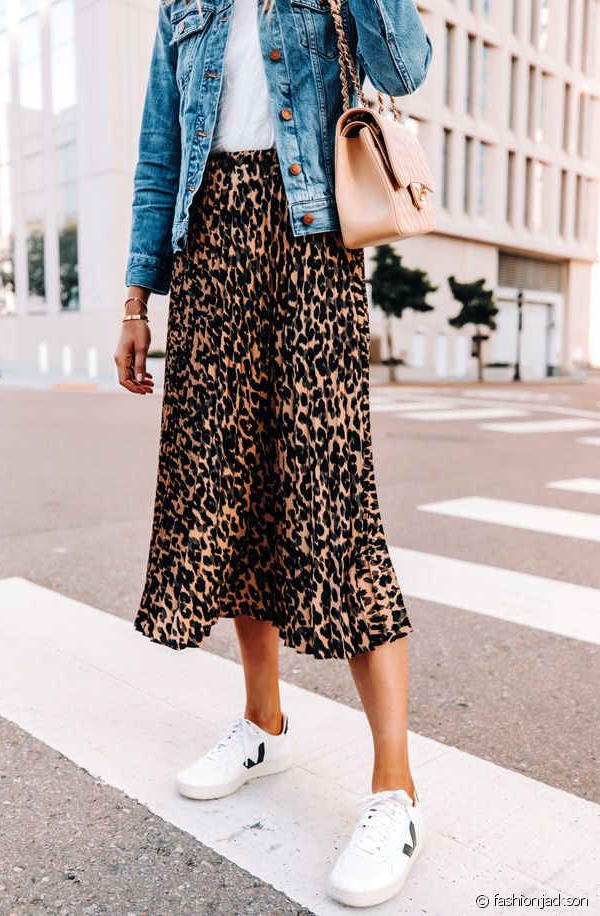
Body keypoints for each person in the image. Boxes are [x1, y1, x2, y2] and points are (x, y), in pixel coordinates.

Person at [115, 0, 432, 906]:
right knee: (231, 496)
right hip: (208, 249)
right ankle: (264, 723)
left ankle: (395, 791)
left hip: (312, 242)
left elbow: (404, 70)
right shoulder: (183, 6)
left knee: (335, 499)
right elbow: (158, 153)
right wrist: (137, 300)